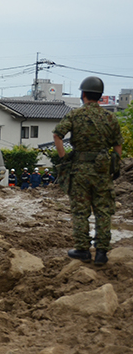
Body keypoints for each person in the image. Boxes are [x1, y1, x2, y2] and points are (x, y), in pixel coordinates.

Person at [53, 76, 123, 266]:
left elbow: (57, 135)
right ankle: (101, 252)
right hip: (102, 170)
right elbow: (117, 146)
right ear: (100, 96)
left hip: (80, 169)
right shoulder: (110, 117)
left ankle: (82, 250)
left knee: (80, 211)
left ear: (83, 94)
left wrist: (64, 158)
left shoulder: (75, 115)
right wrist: (114, 167)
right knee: (103, 211)